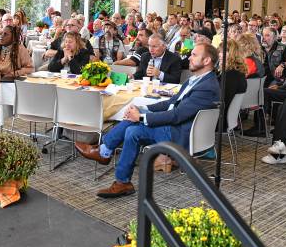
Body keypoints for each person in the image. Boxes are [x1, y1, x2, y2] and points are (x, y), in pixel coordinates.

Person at [74, 43, 221, 198]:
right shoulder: (196, 81)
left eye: (194, 55)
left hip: (183, 135)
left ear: (207, 61)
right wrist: (143, 109)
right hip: (176, 127)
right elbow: (169, 103)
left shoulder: (207, 87)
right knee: (133, 124)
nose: (189, 58)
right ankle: (115, 170)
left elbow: (177, 115)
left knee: (133, 129)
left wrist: (141, 117)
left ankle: (108, 159)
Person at [218, 39, 249, 130]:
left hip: (219, 120)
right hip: (227, 118)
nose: (220, 55)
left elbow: (222, 99)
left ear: (232, 54)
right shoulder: (237, 72)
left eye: (224, 52)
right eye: (220, 52)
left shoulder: (231, 75)